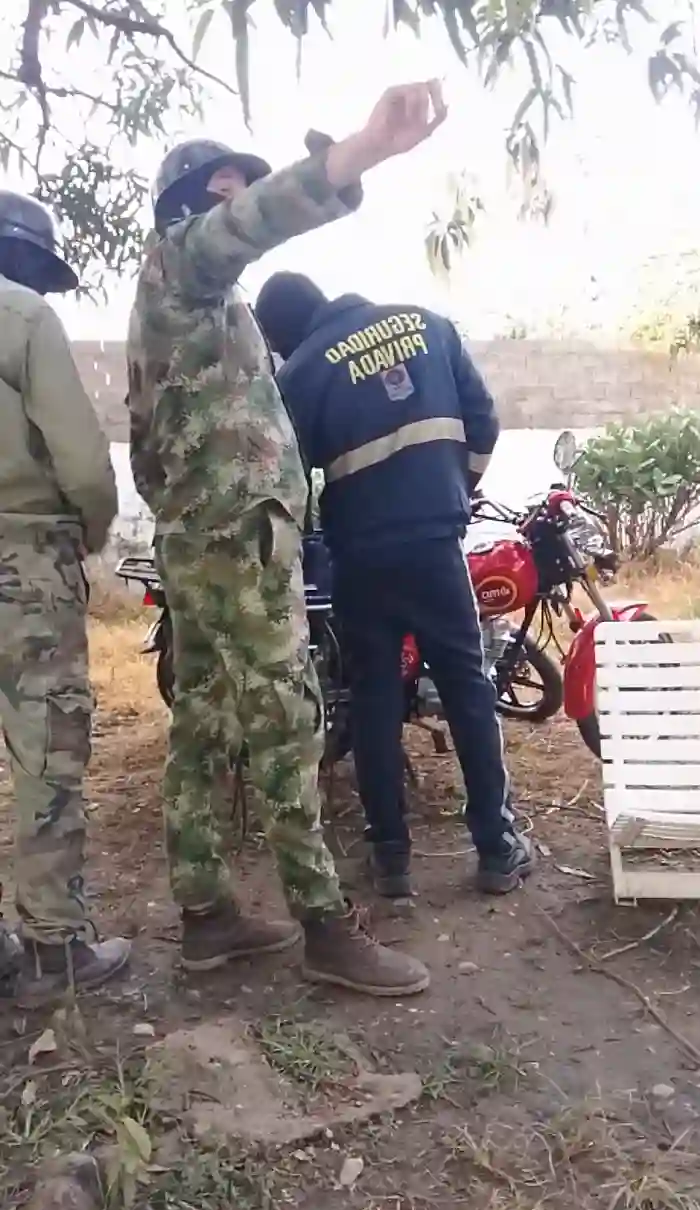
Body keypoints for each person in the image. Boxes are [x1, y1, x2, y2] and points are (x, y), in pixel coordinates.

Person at [127, 83, 447, 996]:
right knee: (286, 715)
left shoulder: (204, 309)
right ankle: (324, 925)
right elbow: (253, 222)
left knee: (205, 721)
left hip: (205, 534)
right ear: (189, 206)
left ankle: (207, 916)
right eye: (223, 187)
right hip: (235, 536)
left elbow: (155, 440)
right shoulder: (182, 266)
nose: (238, 198)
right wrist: (360, 152)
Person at [254, 274, 534, 899]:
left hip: (360, 560)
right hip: (435, 547)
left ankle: (390, 859)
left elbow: (288, 479)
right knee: (466, 689)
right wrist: (454, 492)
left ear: (279, 333)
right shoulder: (428, 324)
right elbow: (483, 424)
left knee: (375, 699)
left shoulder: (298, 374)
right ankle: (496, 849)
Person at [0, 191, 131, 1005]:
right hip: (23, 558)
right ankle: (54, 950)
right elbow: (82, 462)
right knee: (47, 751)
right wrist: (90, 530)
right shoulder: (24, 317)